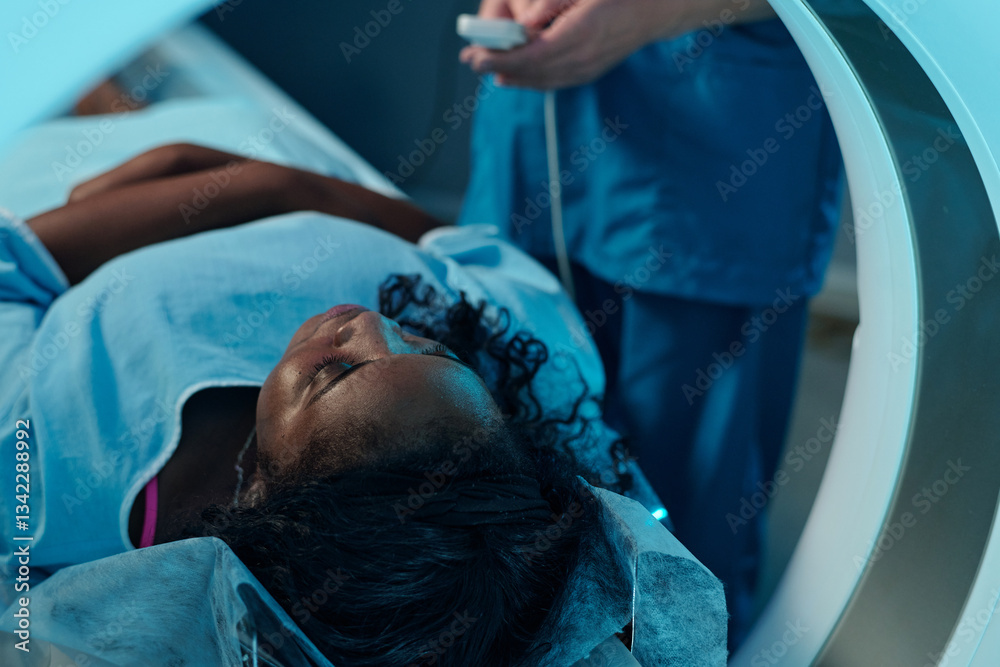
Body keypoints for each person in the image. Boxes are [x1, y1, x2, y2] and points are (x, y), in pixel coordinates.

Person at [0, 138, 641, 666]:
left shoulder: (43, 469)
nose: (366, 322)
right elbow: (448, 242)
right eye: (431, 348)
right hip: (265, 148)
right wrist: (288, 187)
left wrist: (206, 188)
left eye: (335, 372)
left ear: (264, 500)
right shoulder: (538, 357)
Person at [458, 0, 844, 643]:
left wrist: (651, 13)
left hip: (713, 154)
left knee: (683, 527)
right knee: (494, 484)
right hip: (534, 128)